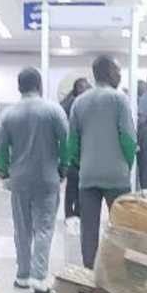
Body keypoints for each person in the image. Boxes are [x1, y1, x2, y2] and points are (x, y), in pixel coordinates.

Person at [0, 68, 69, 293]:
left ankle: (22, 275)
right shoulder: (54, 111)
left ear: (19, 87)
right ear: (40, 85)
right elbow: (65, 143)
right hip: (47, 178)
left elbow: (0, 149)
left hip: (19, 180)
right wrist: (63, 168)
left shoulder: (8, 115)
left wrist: (4, 173)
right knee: (44, 228)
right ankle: (39, 278)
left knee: (22, 229)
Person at [66, 55, 136, 269]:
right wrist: (127, 164)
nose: (120, 75)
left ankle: (89, 272)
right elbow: (128, 138)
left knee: (89, 229)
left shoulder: (80, 102)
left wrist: (81, 162)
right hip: (117, 176)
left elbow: (72, 142)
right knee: (122, 227)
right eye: (117, 71)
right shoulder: (119, 99)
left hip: (88, 176)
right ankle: (118, 271)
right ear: (106, 72)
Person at [59, 77, 91, 226]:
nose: (87, 90)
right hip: (73, 151)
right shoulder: (72, 104)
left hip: (82, 151)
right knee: (73, 184)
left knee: (79, 185)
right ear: (78, 88)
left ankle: (75, 213)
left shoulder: (74, 103)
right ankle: (70, 214)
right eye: (84, 88)